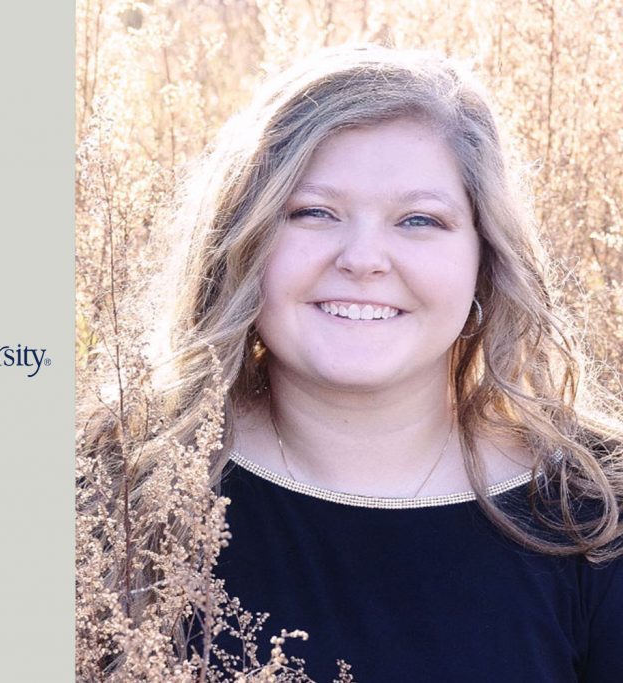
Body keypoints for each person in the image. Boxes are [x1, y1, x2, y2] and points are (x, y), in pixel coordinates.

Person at [85, 44, 623, 680]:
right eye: (314, 212)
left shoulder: (596, 516)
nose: (364, 258)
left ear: (486, 259)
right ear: (242, 241)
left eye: (419, 219)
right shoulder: (114, 492)